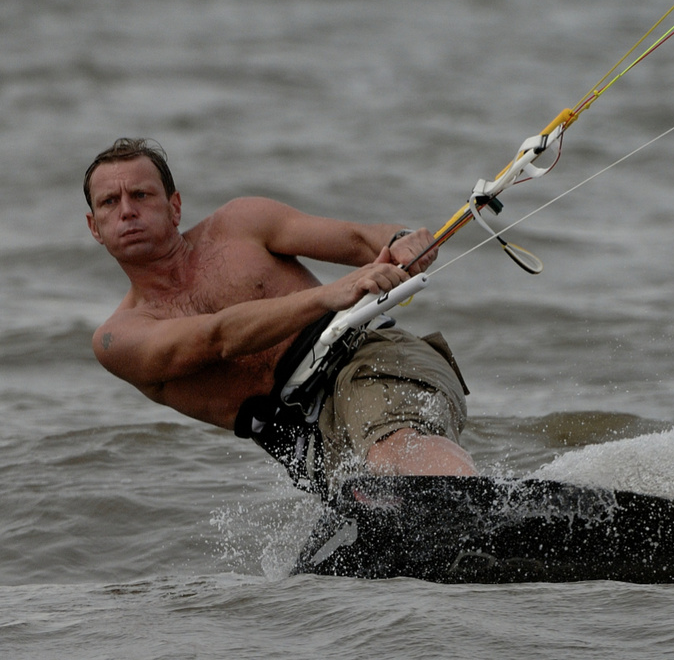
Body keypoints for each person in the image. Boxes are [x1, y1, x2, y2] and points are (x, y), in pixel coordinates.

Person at [84, 137, 476, 495]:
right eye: (109, 202)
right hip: (314, 447)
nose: (127, 212)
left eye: (140, 195)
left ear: (174, 207)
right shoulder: (117, 339)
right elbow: (218, 337)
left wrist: (404, 241)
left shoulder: (241, 224)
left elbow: (362, 240)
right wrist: (329, 295)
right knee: (367, 514)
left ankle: (477, 509)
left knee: (389, 453)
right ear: (94, 228)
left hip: (369, 361)